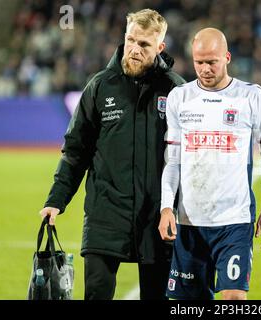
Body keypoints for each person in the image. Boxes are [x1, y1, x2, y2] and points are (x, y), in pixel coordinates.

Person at [39, 9, 185, 300]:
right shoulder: (100, 86)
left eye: (144, 44)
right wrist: (56, 200)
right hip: (104, 215)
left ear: (160, 47)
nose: (134, 49)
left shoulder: (177, 90)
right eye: (130, 40)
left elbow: (189, 158)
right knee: (96, 293)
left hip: (156, 219)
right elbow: (76, 150)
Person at [158, 28, 261, 300]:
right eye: (199, 62)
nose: (205, 69)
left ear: (227, 57)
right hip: (189, 221)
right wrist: (167, 206)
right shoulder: (180, 97)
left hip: (234, 220)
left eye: (211, 61)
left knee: (234, 298)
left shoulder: (251, 96)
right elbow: (173, 160)